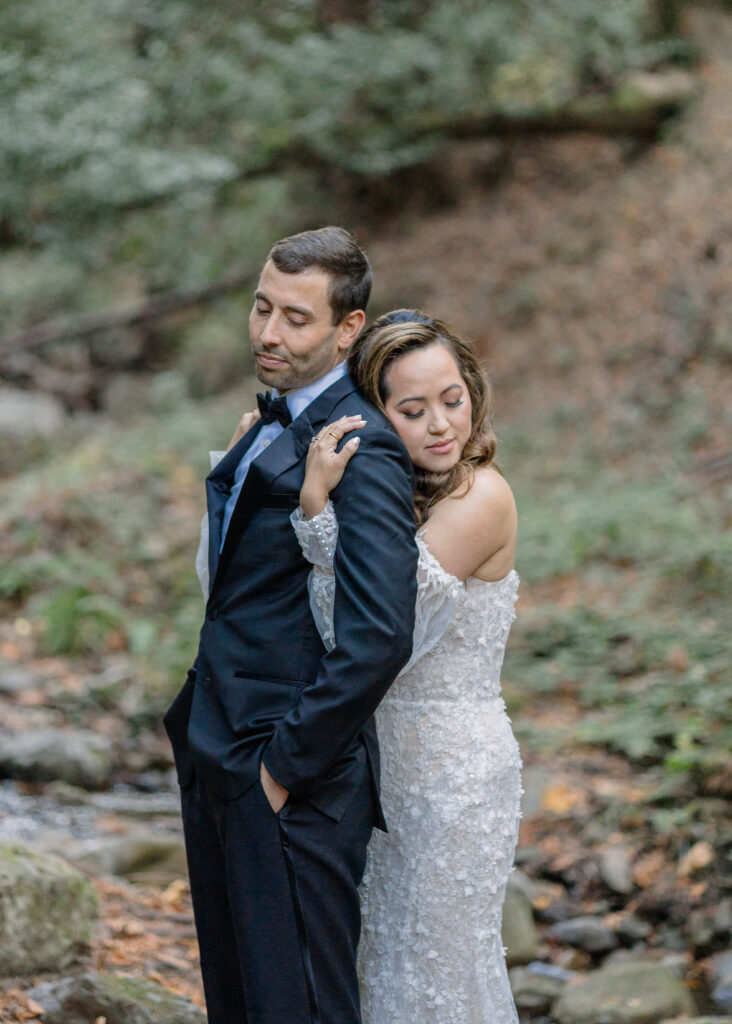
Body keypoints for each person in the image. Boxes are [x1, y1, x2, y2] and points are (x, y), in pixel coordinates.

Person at [164, 227, 419, 1024]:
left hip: (287, 778)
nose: (269, 333)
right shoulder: (265, 424)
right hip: (217, 745)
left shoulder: (363, 447)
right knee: (239, 1002)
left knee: (299, 1007)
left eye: (296, 319)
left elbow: (380, 634)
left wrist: (281, 770)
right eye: (261, 307)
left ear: (349, 329)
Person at [290, 310, 522, 1023]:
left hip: (454, 781)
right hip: (382, 768)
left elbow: (379, 629)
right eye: (412, 410)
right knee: (384, 971)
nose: (440, 425)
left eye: (452, 399)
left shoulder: (481, 496)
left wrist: (314, 509)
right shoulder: (400, 491)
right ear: (377, 412)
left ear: (473, 391)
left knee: (442, 980)